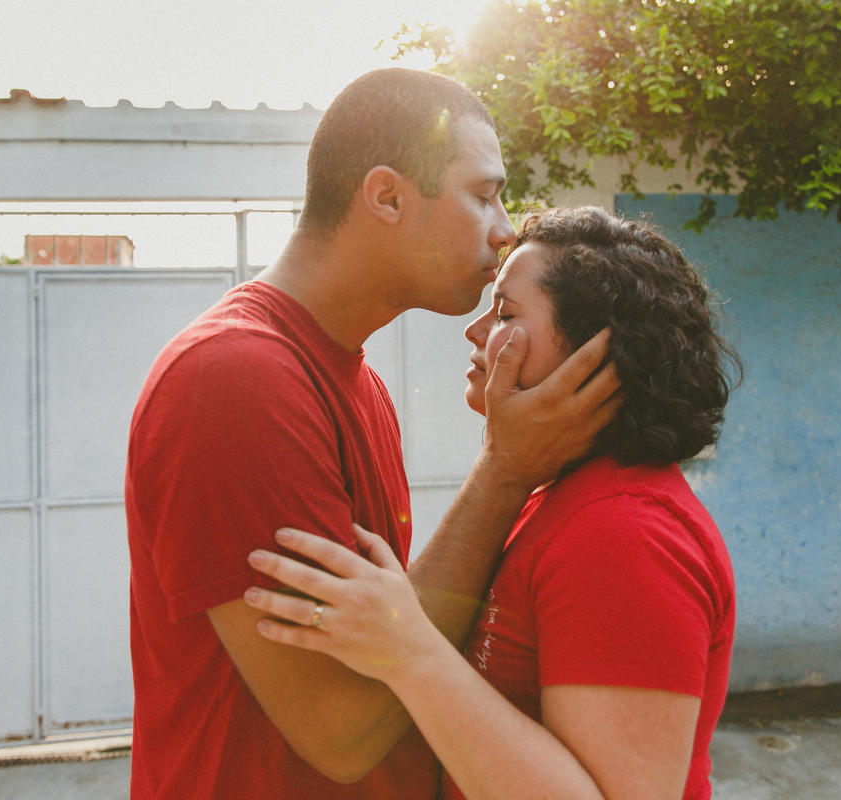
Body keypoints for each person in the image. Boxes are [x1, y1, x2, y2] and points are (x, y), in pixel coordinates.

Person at [124, 72, 621, 799]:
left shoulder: (356, 382)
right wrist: (506, 472)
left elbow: (389, 631)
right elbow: (343, 727)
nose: (505, 225)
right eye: (483, 194)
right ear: (386, 196)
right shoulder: (235, 380)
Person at [243, 206, 742, 800]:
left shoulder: (624, 532)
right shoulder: (563, 497)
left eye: (505, 312)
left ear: (595, 354)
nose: (474, 332)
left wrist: (410, 652)